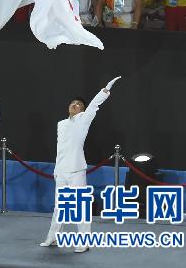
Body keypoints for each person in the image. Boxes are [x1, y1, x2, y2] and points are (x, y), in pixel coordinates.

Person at [41, 76, 121, 253]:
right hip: (61, 170)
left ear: (83, 110)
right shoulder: (61, 124)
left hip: (76, 169)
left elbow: (94, 105)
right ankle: (53, 237)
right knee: (59, 206)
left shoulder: (84, 119)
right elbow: (60, 149)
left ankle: (83, 241)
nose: (74, 105)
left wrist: (105, 90)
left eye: (78, 104)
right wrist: (56, 170)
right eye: (73, 103)